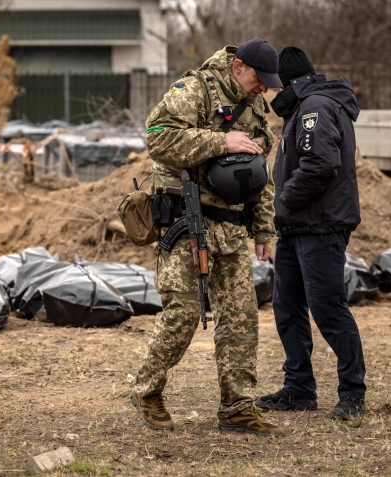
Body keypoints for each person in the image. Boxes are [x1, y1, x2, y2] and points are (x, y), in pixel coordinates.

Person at [130, 39, 285, 437]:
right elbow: (158, 137)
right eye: (258, 79)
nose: (262, 89)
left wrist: (264, 228)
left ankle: (237, 407)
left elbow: (260, 174)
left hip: (232, 227)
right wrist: (221, 141)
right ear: (237, 67)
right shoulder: (194, 90)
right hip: (186, 223)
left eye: (268, 83)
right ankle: (148, 390)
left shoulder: (254, 108)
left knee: (240, 321)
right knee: (181, 313)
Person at [255, 46, 367, 419]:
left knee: (328, 309)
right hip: (297, 227)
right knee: (287, 306)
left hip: (320, 226)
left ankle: (352, 394)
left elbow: (321, 164)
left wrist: (283, 201)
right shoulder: (305, 107)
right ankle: (298, 388)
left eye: (274, 87)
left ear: (287, 83)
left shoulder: (314, 108)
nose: (271, 94)